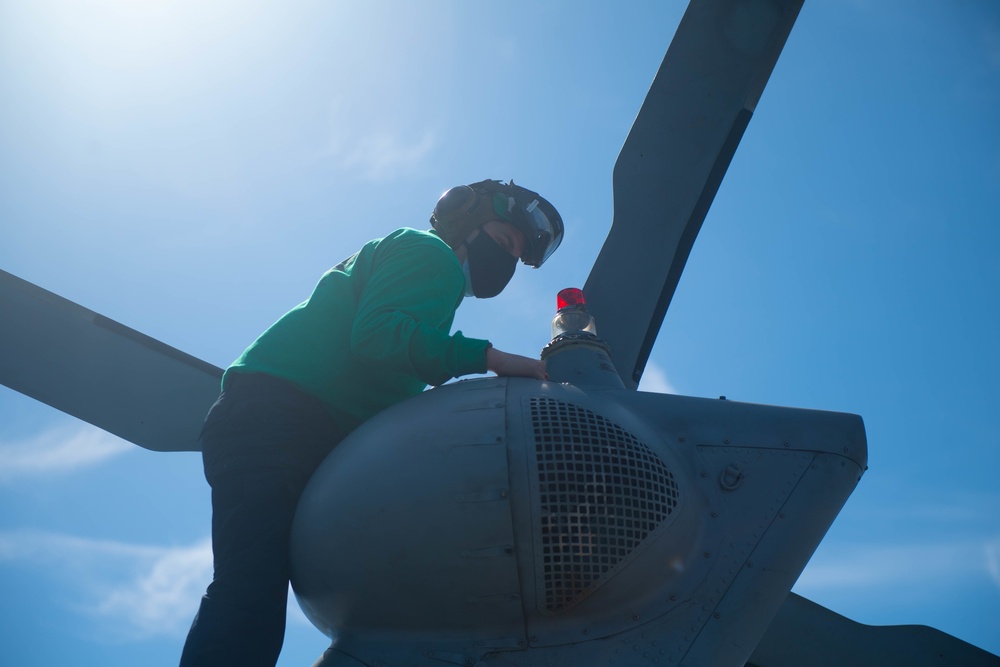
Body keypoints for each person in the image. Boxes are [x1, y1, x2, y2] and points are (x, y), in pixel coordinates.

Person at [179, 179, 564, 667]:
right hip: (280, 420)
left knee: (250, 589)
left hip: (276, 422)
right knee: (249, 591)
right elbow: (378, 335)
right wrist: (488, 357)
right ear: (466, 220)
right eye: (505, 241)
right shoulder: (432, 256)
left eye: (515, 255)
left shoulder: (420, 270)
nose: (506, 261)